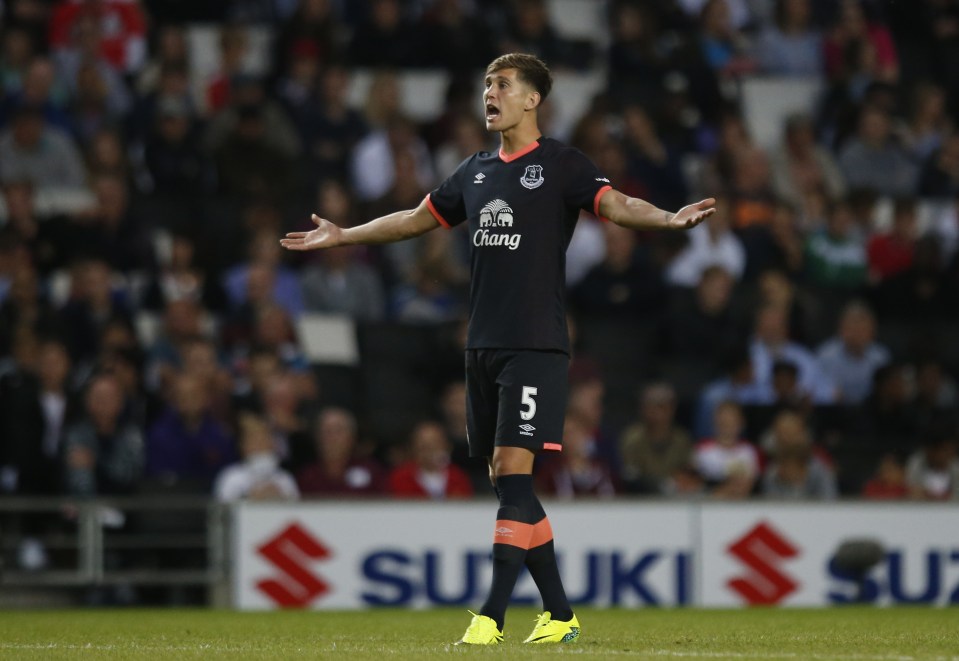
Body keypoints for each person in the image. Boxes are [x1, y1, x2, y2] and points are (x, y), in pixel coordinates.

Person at [281, 53, 714, 646]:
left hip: (535, 344)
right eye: (487, 85)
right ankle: (561, 615)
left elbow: (616, 205)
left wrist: (666, 219)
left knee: (513, 475)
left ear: (533, 99)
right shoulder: (475, 170)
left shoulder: (562, 164)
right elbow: (414, 220)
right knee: (508, 482)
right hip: (481, 345)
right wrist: (344, 235)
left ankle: (491, 614)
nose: (491, 94)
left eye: (503, 85)